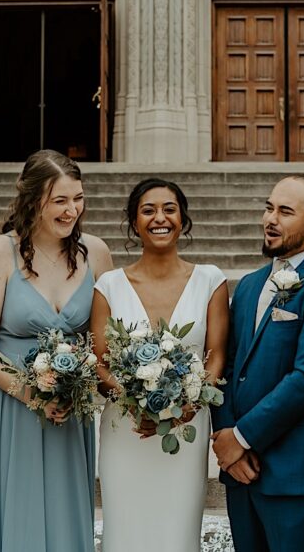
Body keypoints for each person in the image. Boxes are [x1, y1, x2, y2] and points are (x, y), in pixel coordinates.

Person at [0, 150, 113, 552]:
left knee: (64, 512)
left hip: (69, 409)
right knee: (10, 509)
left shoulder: (96, 253)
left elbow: (105, 338)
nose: (72, 210)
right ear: (32, 200)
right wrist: (31, 393)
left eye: (77, 198)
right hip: (10, 405)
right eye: (59, 200)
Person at [211, 174, 304, 552]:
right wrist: (227, 440)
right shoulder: (248, 285)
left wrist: (241, 438)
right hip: (239, 470)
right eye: (268, 207)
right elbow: (227, 369)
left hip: (296, 471)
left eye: (285, 211)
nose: (270, 219)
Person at [90, 178, 229, 552]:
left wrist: (186, 406)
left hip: (186, 427)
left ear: (183, 219)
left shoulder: (210, 280)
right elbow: (100, 363)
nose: (159, 218)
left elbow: (215, 355)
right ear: (134, 222)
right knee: (126, 529)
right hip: (126, 430)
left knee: (177, 531)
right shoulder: (109, 285)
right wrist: (137, 403)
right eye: (148, 210)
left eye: (169, 209)